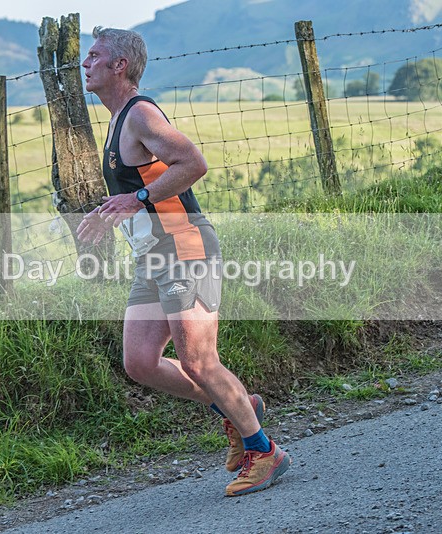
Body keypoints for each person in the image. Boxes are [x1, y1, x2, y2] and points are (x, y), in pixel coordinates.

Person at [76, 26, 291, 496]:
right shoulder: (116, 121)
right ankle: (238, 407)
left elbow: (193, 163)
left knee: (197, 360)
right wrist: (111, 209)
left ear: (121, 66)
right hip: (154, 258)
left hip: (186, 250)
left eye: (94, 55)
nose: (85, 63)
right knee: (140, 362)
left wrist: (136, 198)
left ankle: (264, 450)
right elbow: (141, 190)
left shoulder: (140, 115)